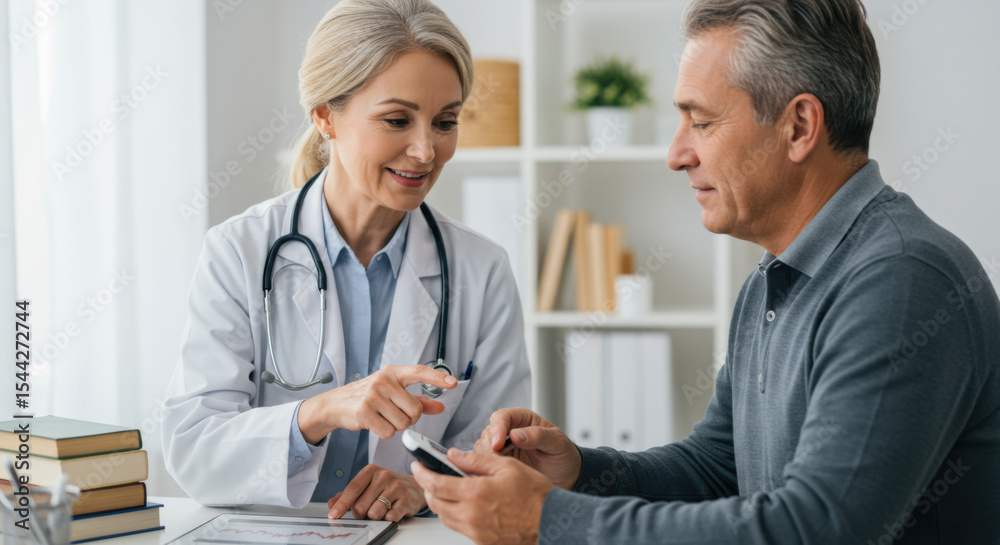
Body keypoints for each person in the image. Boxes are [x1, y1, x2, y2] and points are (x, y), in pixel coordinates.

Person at [412, 0, 1000, 543]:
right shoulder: (773, 280)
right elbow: (717, 469)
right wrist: (580, 473)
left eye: (701, 121)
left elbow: (818, 528)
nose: (676, 154)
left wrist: (546, 519)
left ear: (799, 126)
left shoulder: (901, 279)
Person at [161, 0, 530, 522]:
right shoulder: (239, 250)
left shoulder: (481, 269)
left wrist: (425, 489)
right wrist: (319, 413)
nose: (426, 150)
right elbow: (194, 450)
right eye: (397, 120)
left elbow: (497, 454)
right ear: (325, 116)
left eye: (445, 122)